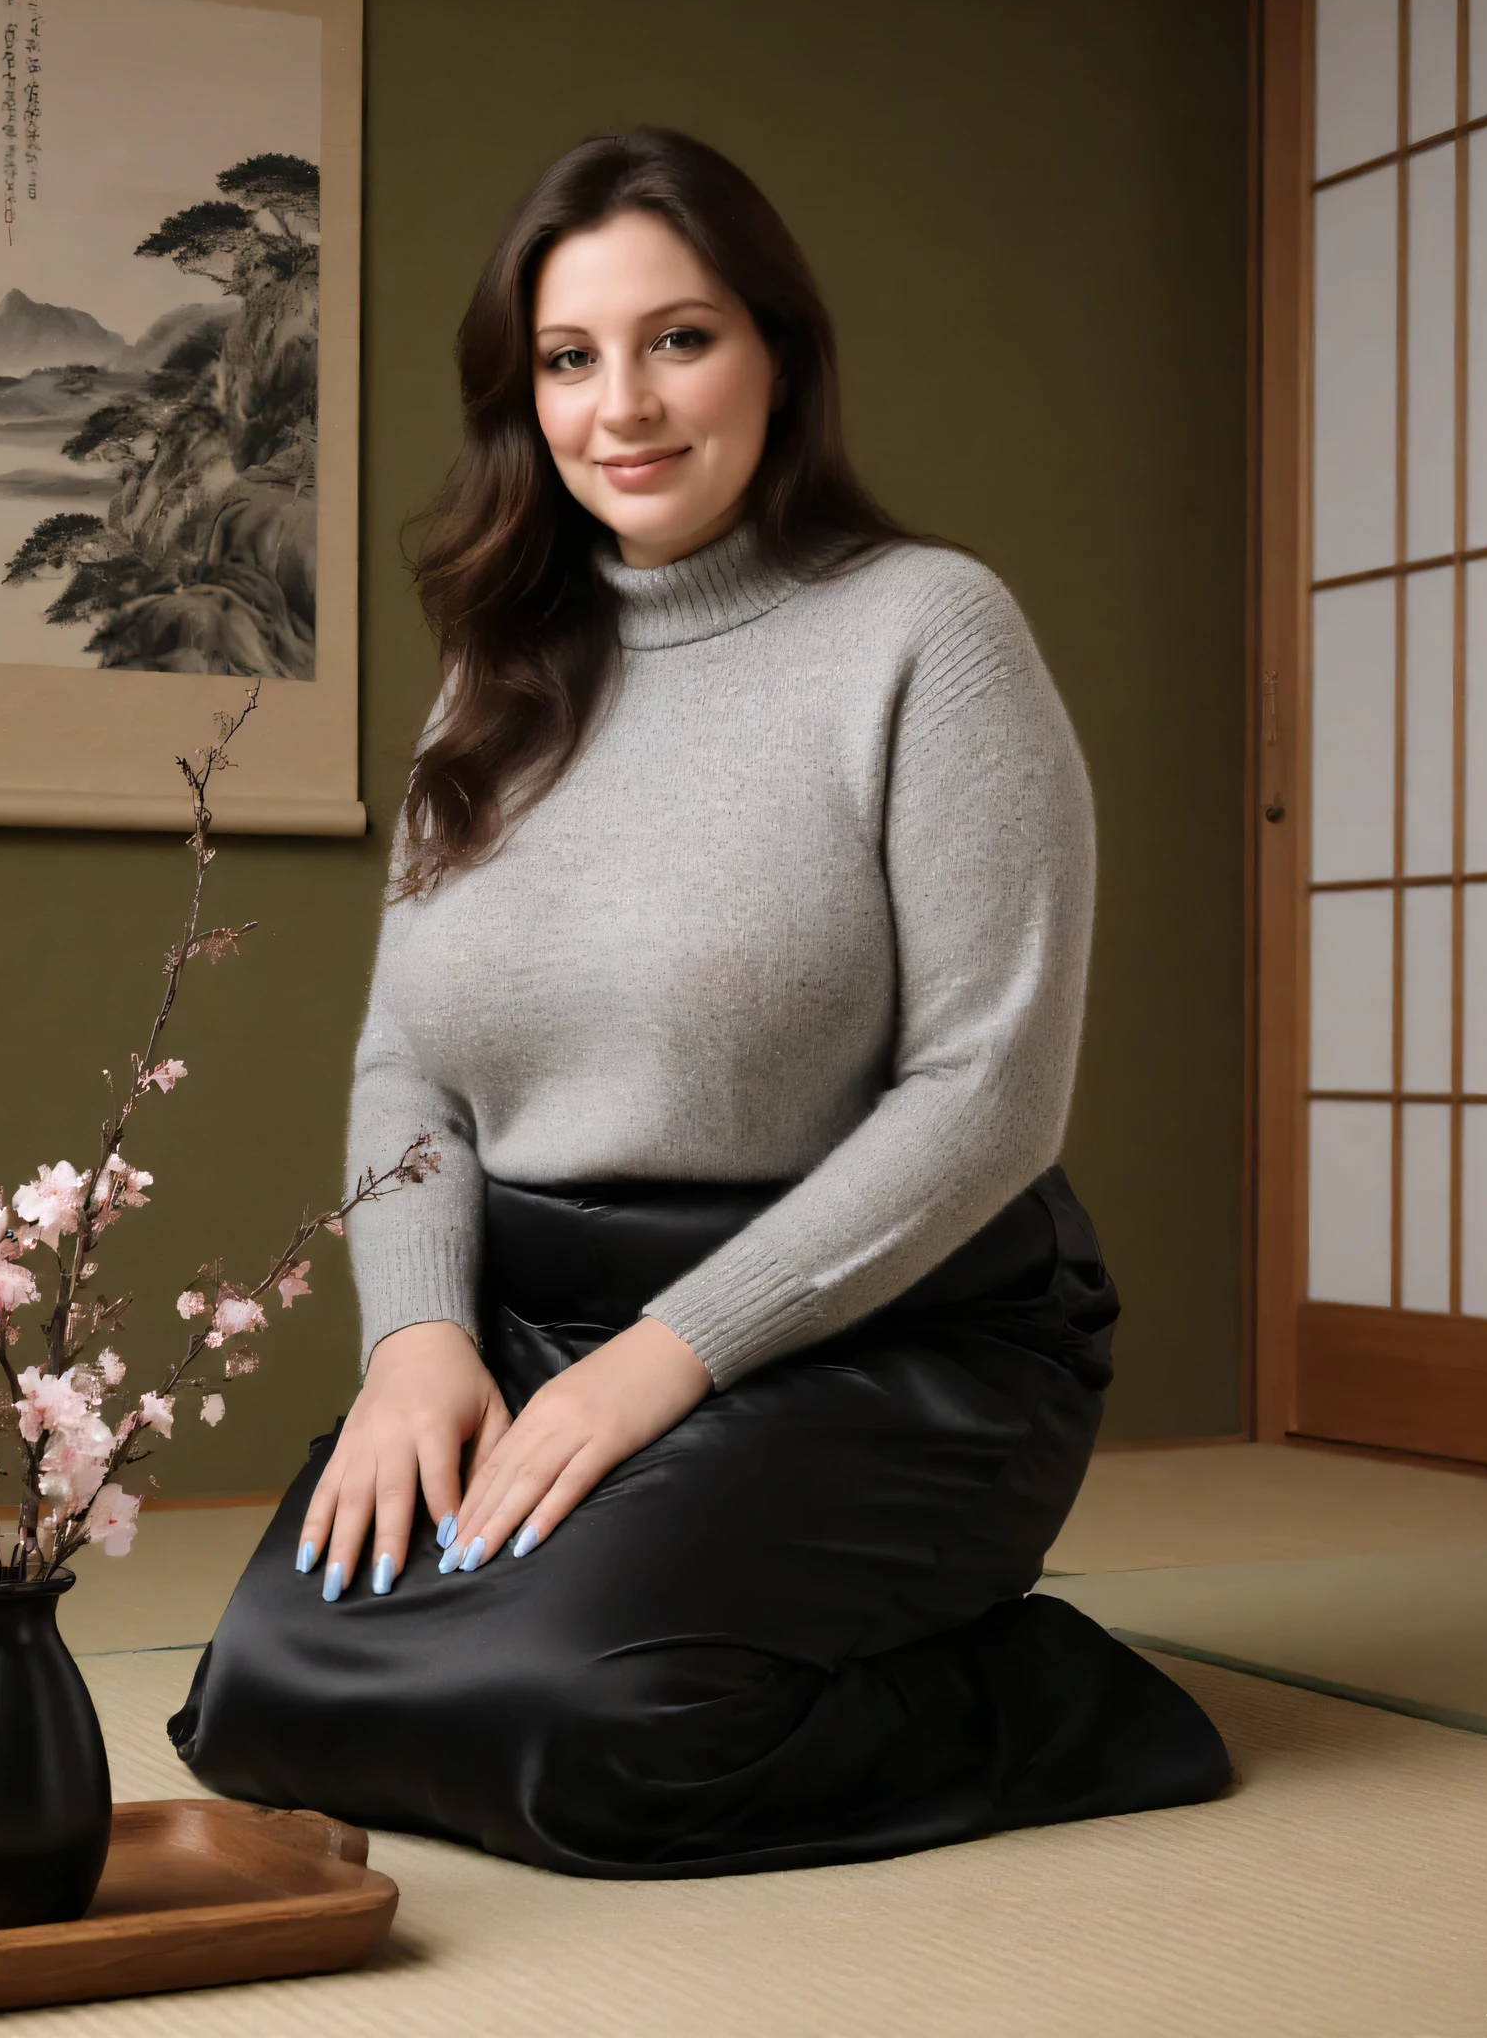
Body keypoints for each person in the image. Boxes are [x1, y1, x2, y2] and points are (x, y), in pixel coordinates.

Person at [169, 127, 1229, 1876]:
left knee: (597, 1732)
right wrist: (417, 1338)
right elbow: (407, 1061)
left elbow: (988, 1100)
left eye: (681, 339)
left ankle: (1050, 1693)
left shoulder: (928, 632)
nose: (625, 407)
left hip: (889, 1335)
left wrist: (663, 1366)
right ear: (526, 398)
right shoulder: (492, 675)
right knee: (268, 1706)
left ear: (779, 356)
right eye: (571, 359)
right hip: (544, 1326)